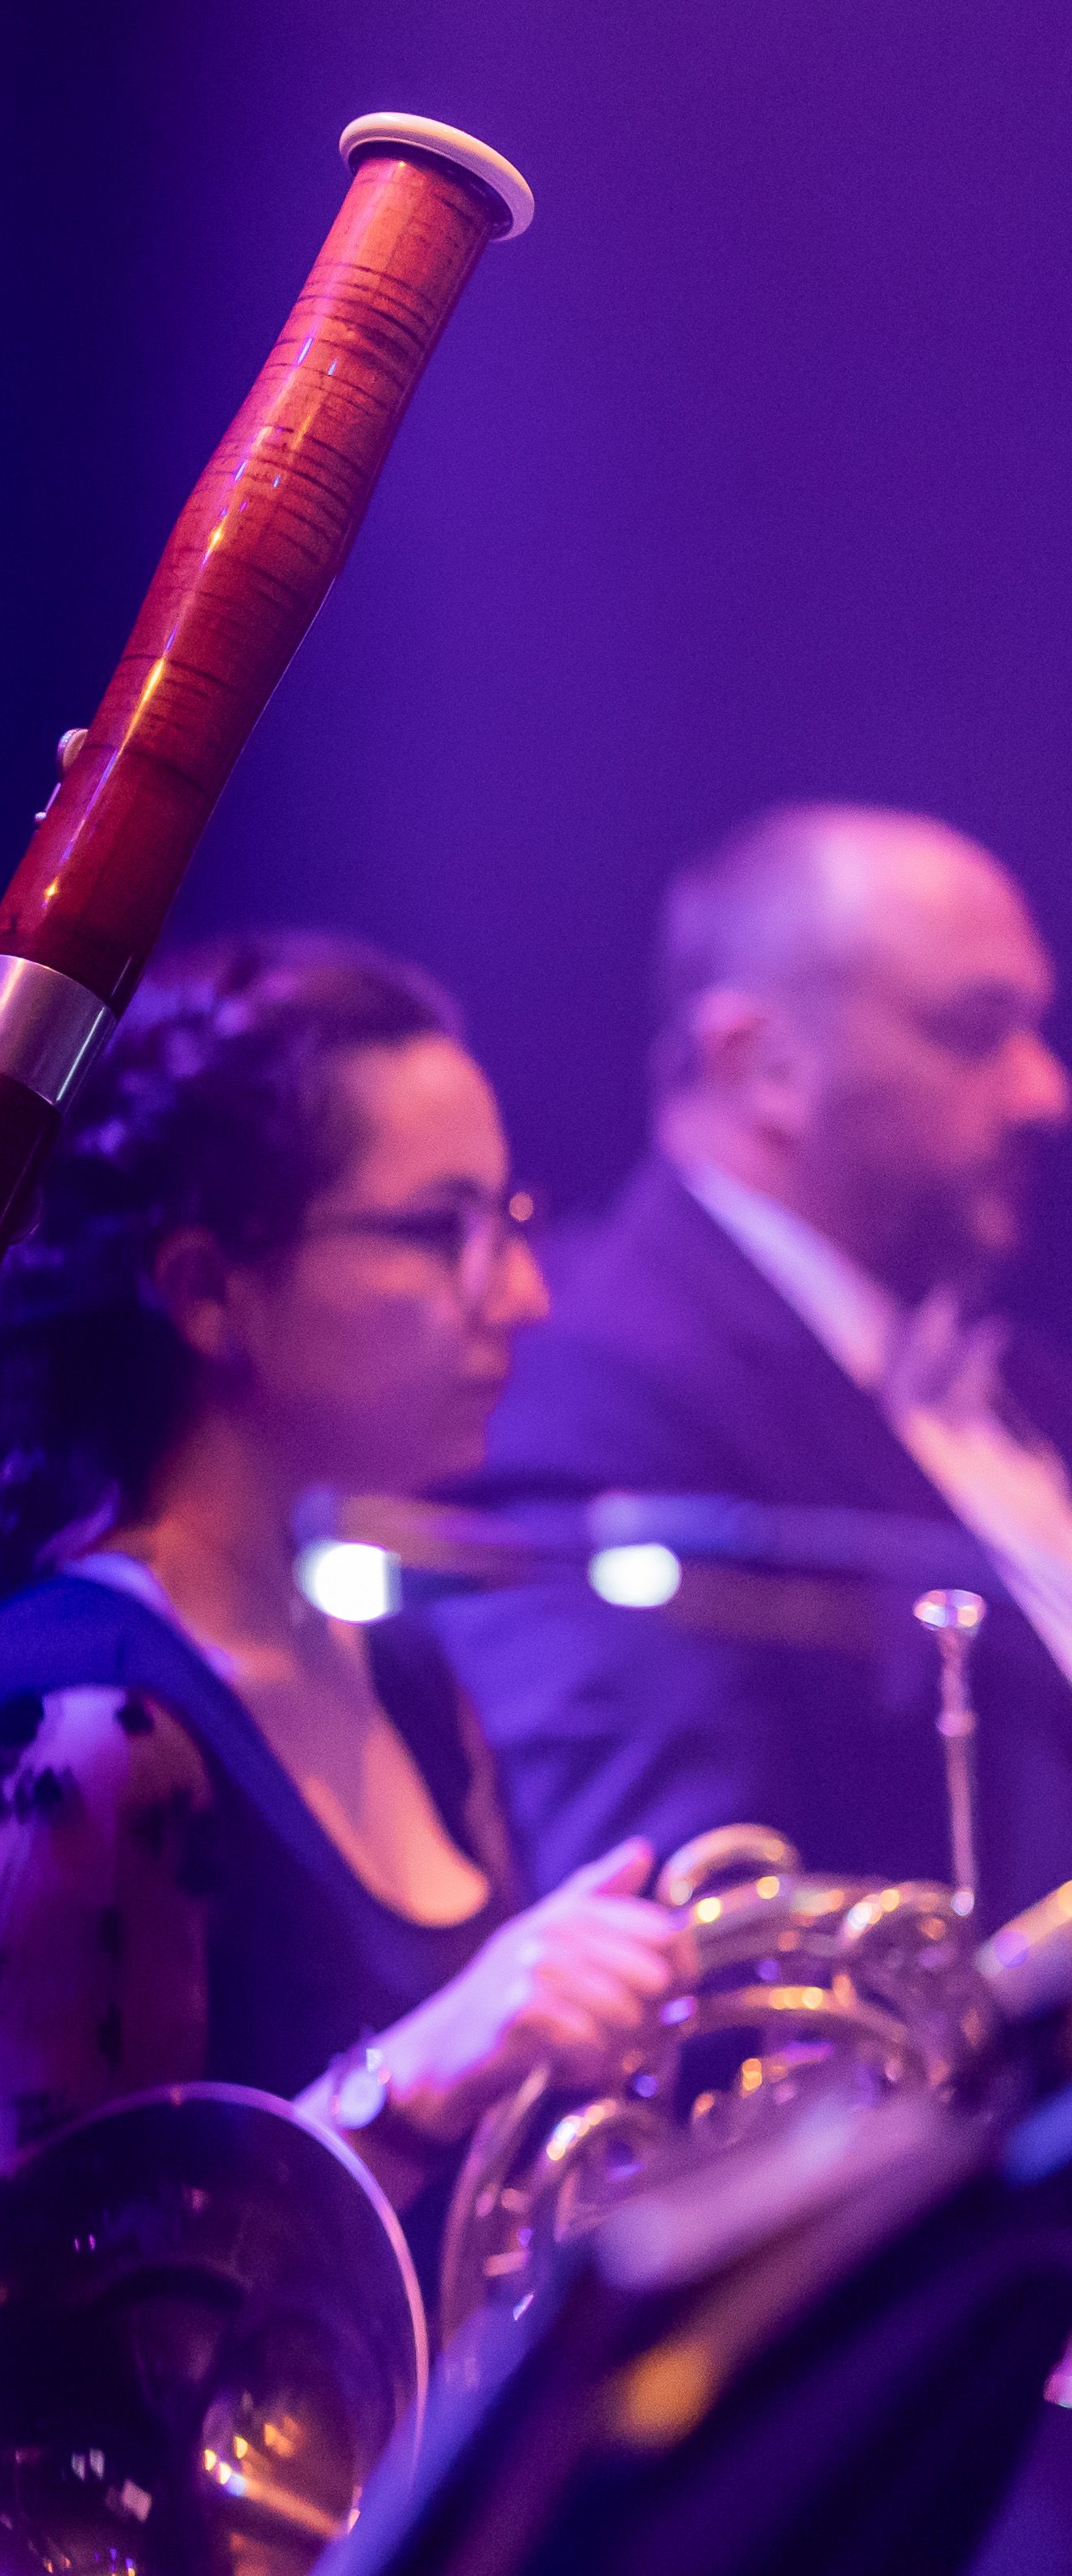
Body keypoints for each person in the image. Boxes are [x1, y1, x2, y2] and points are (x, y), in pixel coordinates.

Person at [0, 933, 693, 2309]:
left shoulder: (395, 1663)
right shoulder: (80, 1728)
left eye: (506, 1220)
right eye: (439, 1229)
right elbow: (29, 2338)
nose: (521, 1293)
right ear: (205, 1288)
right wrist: (420, 2076)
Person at [447, 805, 1072, 1905]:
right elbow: (698, 1940)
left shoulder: (1019, 1377)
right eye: (977, 1032)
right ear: (762, 1064)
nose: (1044, 1094)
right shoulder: (590, 1390)